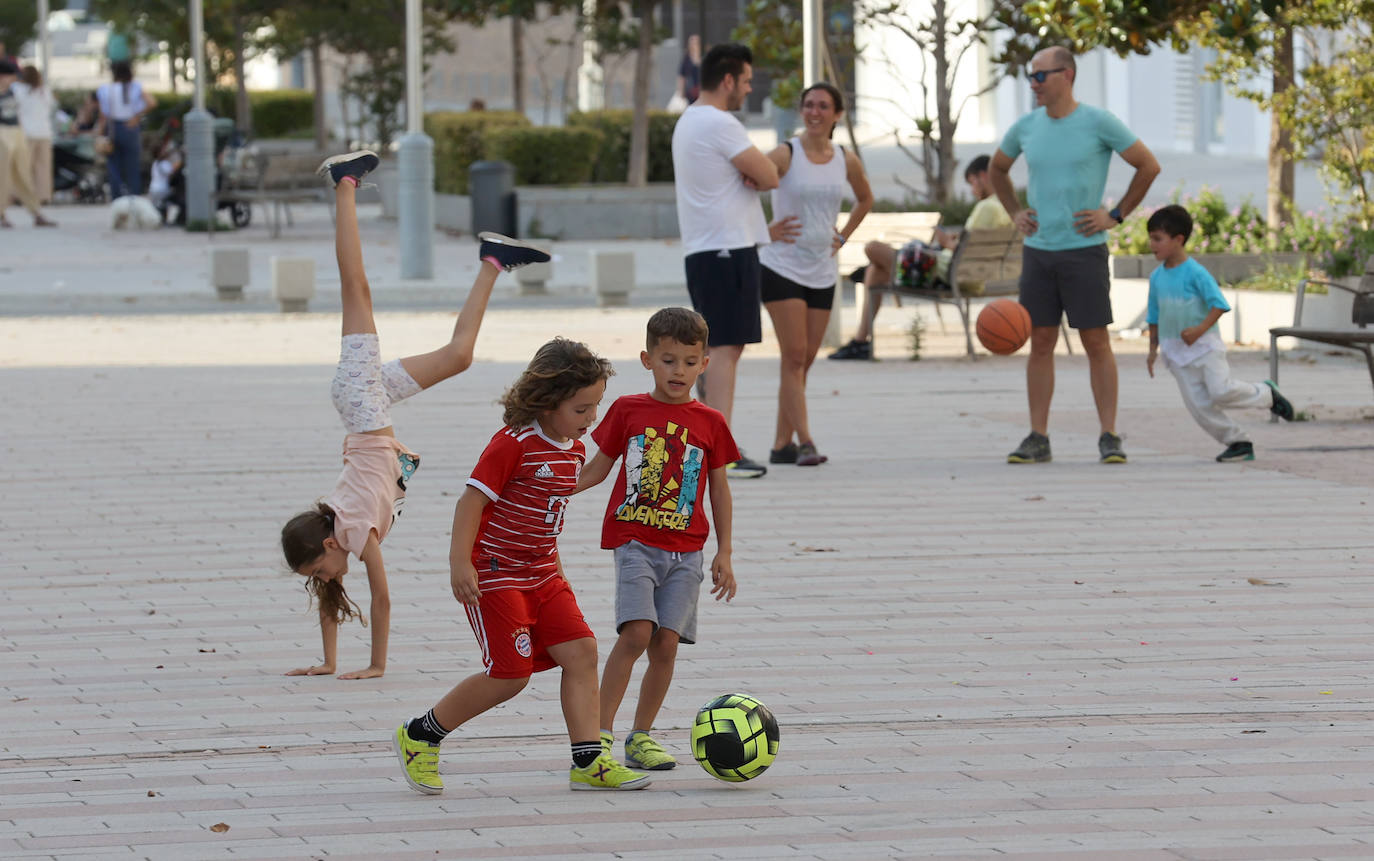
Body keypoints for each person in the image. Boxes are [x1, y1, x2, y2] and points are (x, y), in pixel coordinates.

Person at [279, 150, 550, 680]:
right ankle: (494, 261)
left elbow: (381, 598)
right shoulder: (340, 539)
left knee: (355, 288)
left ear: (331, 545)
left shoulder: (355, 531)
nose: (323, 577)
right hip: (369, 406)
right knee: (459, 357)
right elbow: (334, 601)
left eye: (319, 568)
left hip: (362, 403)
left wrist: (377, 666)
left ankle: (345, 183)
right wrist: (329, 663)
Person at [393, 338, 654, 794]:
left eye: (596, 407)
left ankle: (589, 761)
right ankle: (420, 735)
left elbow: (553, 500)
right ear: (547, 402)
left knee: (582, 652)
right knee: (509, 675)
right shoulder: (513, 444)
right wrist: (460, 563)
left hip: (545, 573)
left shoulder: (571, 449)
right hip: (494, 572)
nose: (590, 419)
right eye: (582, 409)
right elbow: (471, 501)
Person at [572, 307, 739, 771]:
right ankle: (598, 737)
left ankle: (640, 736)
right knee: (636, 633)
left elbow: (720, 489)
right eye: (668, 360)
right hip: (635, 543)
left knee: (665, 643)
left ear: (704, 364)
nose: (678, 371)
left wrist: (724, 551)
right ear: (648, 360)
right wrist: (557, 488)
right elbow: (599, 468)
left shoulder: (711, 422)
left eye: (688, 361)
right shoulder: (627, 410)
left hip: (688, 552)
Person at [990, 47, 1160, 465]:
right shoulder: (1026, 127)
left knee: (1096, 341)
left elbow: (1148, 166)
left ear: (1066, 75)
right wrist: (1015, 211)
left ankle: (1109, 435)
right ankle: (1037, 437)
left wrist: (1115, 215)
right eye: (1030, 77)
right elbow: (997, 168)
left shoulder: (1097, 122)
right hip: (1039, 252)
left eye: (1039, 77)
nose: (1033, 84)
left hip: (1084, 251)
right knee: (1041, 342)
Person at [671, 42, 779, 479]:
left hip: (709, 248)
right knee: (724, 349)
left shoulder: (689, 120)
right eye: (747, 81)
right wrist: (751, 171)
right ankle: (719, 451)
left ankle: (710, 441)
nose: (749, 90)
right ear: (729, 80)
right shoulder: (719, 122)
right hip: (725, 248)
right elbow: (770, 176)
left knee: (721, 346)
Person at [757, 83, 872, 465]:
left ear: (837, 114)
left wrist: (844, 235)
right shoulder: (786, 153)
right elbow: (742, 184)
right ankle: (806, 441)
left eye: (823, 106)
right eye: (808, 105)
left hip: (822, 270)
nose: (815, 112)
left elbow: (865, 198)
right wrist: (762, 230)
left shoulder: (845, 159)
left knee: (802, 362)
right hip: (781, 267)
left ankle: (780, 445)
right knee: (793, 356)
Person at [1144, 205, 1296, 461]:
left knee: (1220, 391)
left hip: (1205, 347)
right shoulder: (1156, 277)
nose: (1152, 244)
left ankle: (1266, 393)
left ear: (1178, 239)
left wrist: (1199, 330)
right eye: (1151, 238)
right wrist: (1152, 351)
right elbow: (1153, 317)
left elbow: (1219, 304)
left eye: (1157, 238)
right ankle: (1238, 442)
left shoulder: (1195, 273)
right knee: (1199, 407)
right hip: (1176, 353)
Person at [829, 155, 1010, 360]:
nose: (972, 190)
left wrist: (945, 242)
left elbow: (966, 253)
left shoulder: (987, 207)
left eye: (972, 183)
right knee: (876, 271)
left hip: (947, 274)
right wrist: (953, 242)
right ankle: (860, 341)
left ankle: (860, 342)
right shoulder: (1007, 208)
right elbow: (976, 250)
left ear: (983, 176)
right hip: (968, 273)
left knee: (873, 248)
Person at [0, 60, 56, 228]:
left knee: (23, 175)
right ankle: (1, 215)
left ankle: (36, 212)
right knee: (3, 177)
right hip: (2, 132)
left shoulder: (13, 92)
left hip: (16, 131)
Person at [97, 60, 155, 199]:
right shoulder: (135, 87)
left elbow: (103, 115)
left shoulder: (106, 89)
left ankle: (117, 198)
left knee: (114, 166)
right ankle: (134, 197)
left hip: (113, 127)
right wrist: (137, 117)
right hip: (130, 127)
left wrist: (99, 134)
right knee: (132, 166)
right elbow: (152, 102)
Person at [15, 66, 55, 204]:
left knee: (25, 167)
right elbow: (50, 108)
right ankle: (43, 196)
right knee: (43, 167)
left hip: (26, 133)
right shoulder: (45, 91)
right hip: (44, 132)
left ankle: (24, 196)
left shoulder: (19, 90)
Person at [676, 34, 702, 106]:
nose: (694, 45)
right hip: (691, 91)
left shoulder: (703, 56)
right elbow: (681, 75)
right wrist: (681, 91)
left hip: (702, 90)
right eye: (692, 42)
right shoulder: (686, 59)